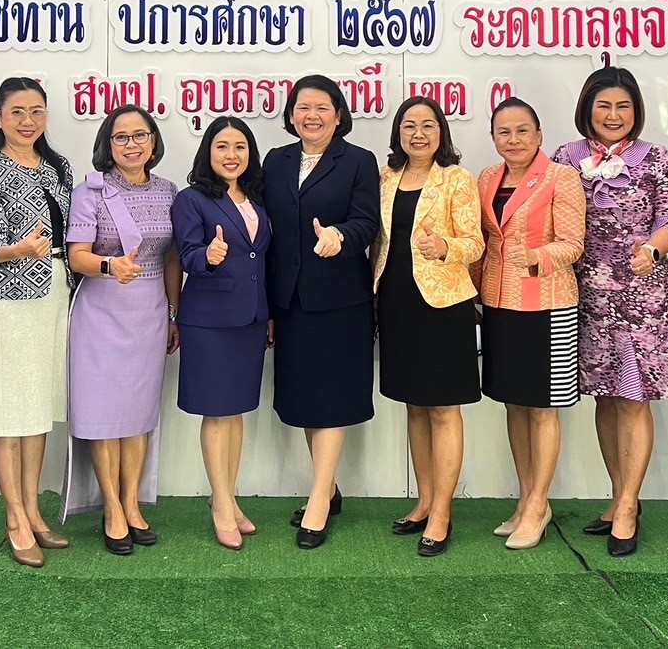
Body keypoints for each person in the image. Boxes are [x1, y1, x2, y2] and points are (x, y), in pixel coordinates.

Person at [553, 66, 668, 558]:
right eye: (604, 106)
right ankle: (618, 495)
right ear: (587, 109)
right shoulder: (566, 157)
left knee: (633, 398)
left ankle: (630, 505)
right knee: (605, 398)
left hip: (639, 293)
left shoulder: (655, 157)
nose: (613, 115)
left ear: (636, 110)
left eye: (623, 106)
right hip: (583, 295)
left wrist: (653, 248)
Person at [263, 75, 380, 550]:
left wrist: (340, 236)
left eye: (322, 108)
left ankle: (317, 499)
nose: (312, 116)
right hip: (289, 300)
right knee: (308, 399)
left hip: (339, 300)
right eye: (303, 107)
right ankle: (327, 488)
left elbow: (367, 222)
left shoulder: (358, 161)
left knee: (331, 399)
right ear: (291, 115)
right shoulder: (276, 160)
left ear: (338, 115)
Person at [0, 77, 74, 569]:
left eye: (37, 112)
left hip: (53, 295)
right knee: (9, 408)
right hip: (7, 301)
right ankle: (14, 518)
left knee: (37, 406)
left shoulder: (57, 167)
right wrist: (18, 250)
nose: (28, 121)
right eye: (17, 112)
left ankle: (33, 509)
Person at [65, 105, 180, 556]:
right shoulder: (91, 191)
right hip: (100, 311)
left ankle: (132, 503)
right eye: (121, 137)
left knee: (138, 414)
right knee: (104, 415)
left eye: (140, 135)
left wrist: (173, 313)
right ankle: (111, 508)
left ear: (153, 141)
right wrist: (110, 265)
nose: (132, 144)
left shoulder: (169, 191)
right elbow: (77, 256)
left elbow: (171, 257)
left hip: (149, 312)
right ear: (107, 145)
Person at [371, 97, 484, 558]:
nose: (418, 134)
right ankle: (423, 501)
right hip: (395, 301)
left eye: (428, 125)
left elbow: (476, 243)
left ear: (441, 132)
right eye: (409, 125)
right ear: (398, 132)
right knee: (414, 406)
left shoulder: (457, 178)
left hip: (442, 305)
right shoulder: (385, 177)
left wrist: (445, 247)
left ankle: (442, 512)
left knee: (442, 409)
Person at [473, 97, 585, 550]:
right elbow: (483, 241)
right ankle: (525, 500)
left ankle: (539, 504)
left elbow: (573, 242)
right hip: (498, 303)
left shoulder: (562, 177)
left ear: (539, 135)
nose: (513, 139)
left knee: (543, 408)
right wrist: (471, 290)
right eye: (504, 131)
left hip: (548, 304)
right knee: (513, 404)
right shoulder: (486, 178)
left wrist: (536, 256)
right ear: (493, 138)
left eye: (523, 130)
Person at [171, 116, 271, 551]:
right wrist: (208, 256)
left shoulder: (257, 199)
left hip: (251, 319)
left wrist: (269, 314)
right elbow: (187, 254)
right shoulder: (191, 199)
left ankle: (226, 496)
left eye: (240, 146)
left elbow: (260, 259)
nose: (231, 155)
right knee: (216, 413)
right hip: (209, 321)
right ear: (208, 153)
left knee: (236, 412)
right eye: (222, 146)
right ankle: (222, 507)